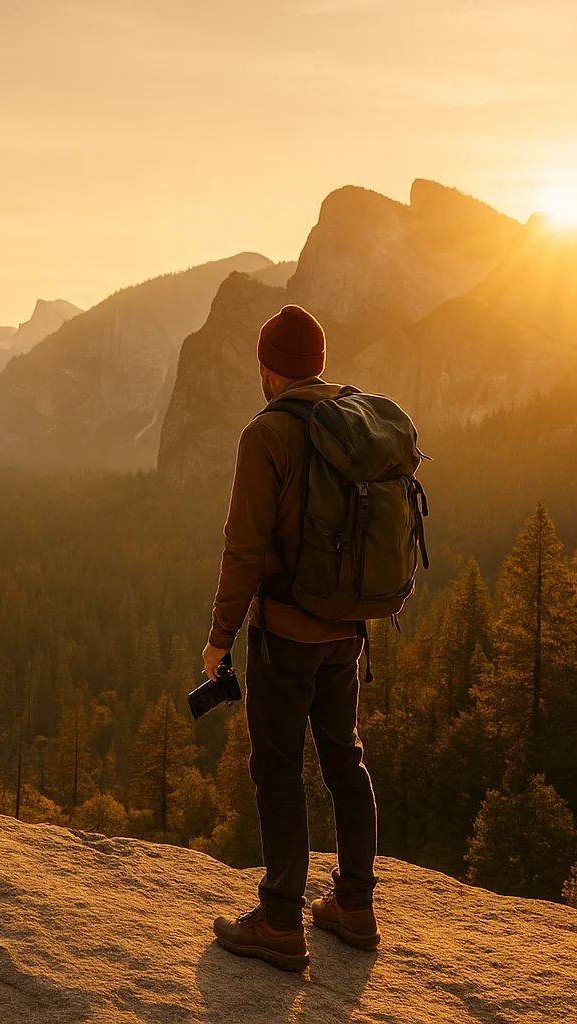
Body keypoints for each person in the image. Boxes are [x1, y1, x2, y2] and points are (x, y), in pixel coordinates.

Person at [203, 303, 379, 973]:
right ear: (319, 364)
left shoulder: (268, 433)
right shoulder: (352, 421)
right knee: (344, 759)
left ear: (269, 368)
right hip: (348, 631)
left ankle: (281, 920)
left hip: (285, 634)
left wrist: (220, 638)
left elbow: (242, 547)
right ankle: (354, 907)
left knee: (277, 767)